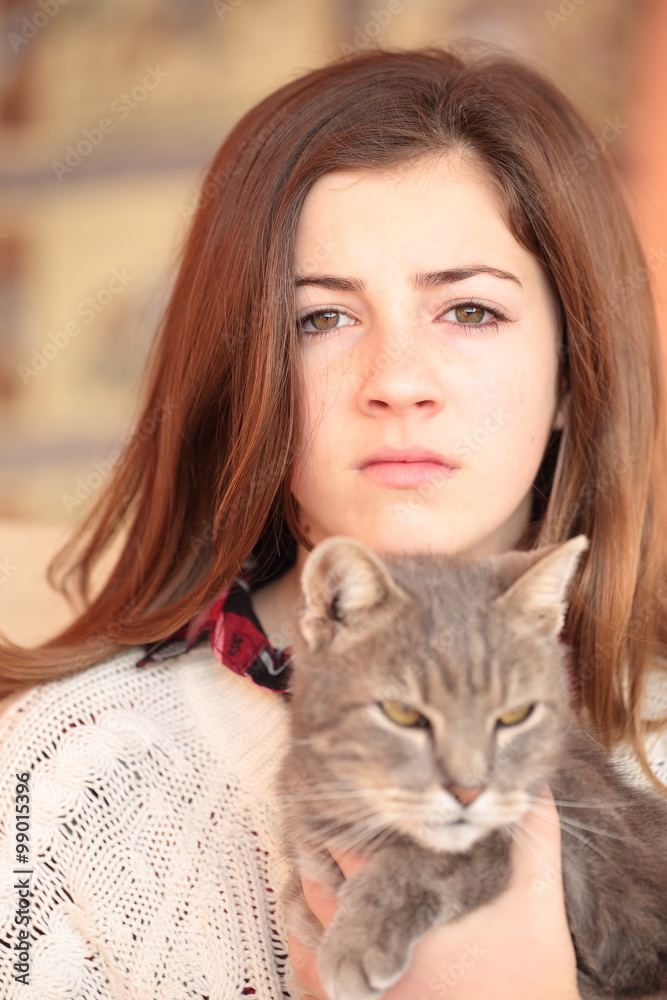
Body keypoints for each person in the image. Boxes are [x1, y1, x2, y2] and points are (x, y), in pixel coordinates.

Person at [1, 41, 666, 1000]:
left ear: (572, 373)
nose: (396, 382)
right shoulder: (79, 768)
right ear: (249, 379)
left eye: (469, 311)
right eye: (321, 319)